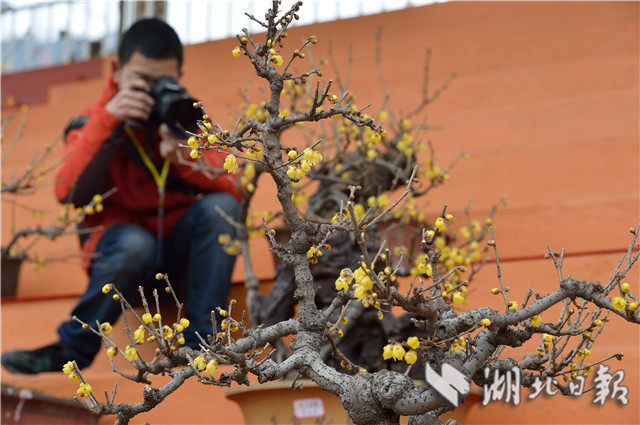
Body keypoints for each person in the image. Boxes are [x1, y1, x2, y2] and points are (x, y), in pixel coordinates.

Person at [1, 18, 240, 374]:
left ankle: (203, 342)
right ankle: (71, 348)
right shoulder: (91, 121)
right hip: (124, 258)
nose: (153, 89)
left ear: (180, 74)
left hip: (180, 259)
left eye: (164, 81)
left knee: (223, 207)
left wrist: (185, 159)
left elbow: (235, 189)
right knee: (133, 243)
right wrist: (109, 120)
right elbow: (66, 190)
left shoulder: (182, 120)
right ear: (116, 69)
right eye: (142, 80)